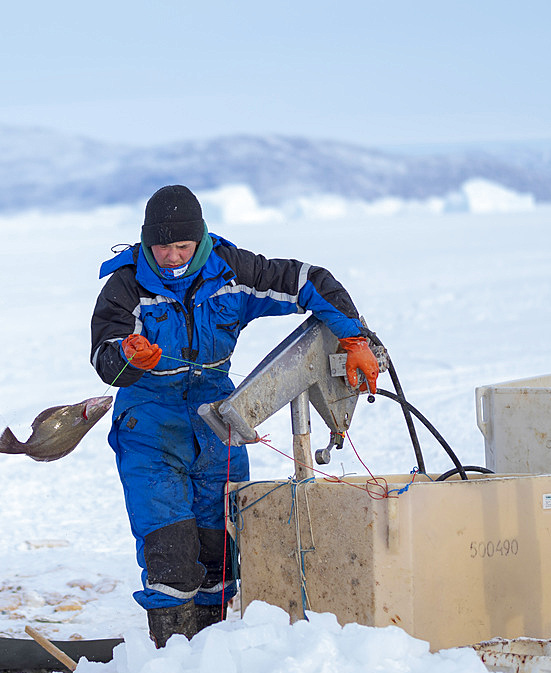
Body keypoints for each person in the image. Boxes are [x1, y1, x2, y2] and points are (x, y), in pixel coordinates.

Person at [90, 185, 379, 647]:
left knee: (219, 552)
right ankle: (169, 664)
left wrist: (355, 338)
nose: (170, 256)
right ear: (146, 242)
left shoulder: (233, 271)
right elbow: (104, 357)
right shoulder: (126, 286)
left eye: (181, 246)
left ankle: (212, 660)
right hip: (149, 423)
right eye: (160, 247)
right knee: (171, 553)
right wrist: (128, 355)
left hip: (216, 422)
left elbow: (309, 281)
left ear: (200, 238)